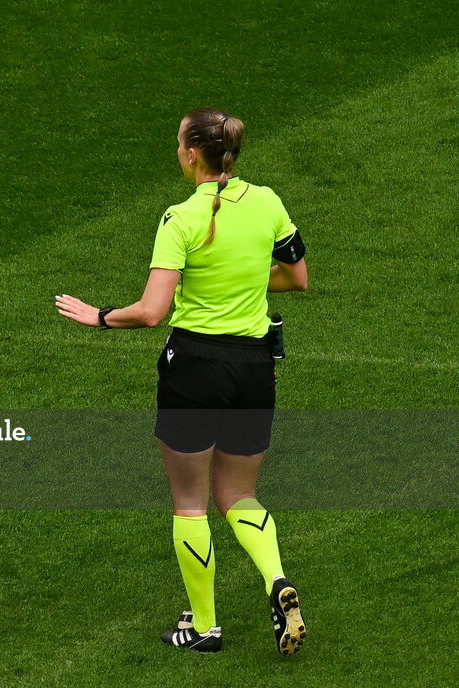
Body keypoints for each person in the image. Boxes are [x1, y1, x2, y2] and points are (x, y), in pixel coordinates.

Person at [55, 107, 308, 655]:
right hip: (255, 368)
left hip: (195, 369)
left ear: (193, 155)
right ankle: (276, 578)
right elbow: (297, 277)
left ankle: (205, 627)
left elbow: (151, 312)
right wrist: (243, 275)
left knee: (191, 501)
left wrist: (100, 316)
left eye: (177, 144)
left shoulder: (180, 219)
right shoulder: (268, 202)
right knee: (239, 493)